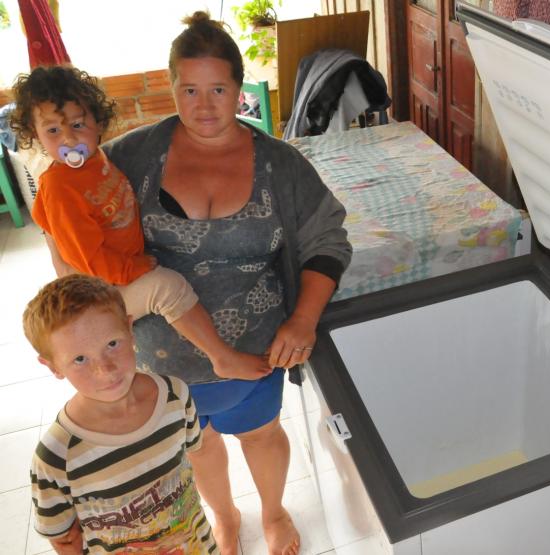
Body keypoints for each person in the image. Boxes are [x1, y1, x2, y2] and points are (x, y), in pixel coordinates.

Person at [95, 11, 351, 555]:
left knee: (261, 434)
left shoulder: (281, 165)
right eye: (189, 89)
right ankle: (225, 516)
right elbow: (71, 214)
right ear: (171, 87)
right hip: (160, 358)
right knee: (199, 444)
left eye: (218, 89)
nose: (204, 105)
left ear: (239, 89)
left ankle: (274, 512)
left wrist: (304, 319)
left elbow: (328, 238)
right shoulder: (129, 158)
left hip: (255, 352)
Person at [10, 65, 272, 382]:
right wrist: (132, 269)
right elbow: (88, 260)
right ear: (35, 135)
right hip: (101, 288)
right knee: (168, 287)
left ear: (97, 121)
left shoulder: (96, 161)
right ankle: (222, 358)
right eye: (53, 131)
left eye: (78, 125)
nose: (69, 138)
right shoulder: (61, 186)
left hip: (115, 270)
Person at [23, 274, 216, 553]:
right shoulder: (55, 456)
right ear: (53, 366)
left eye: (112, 344)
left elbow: (191, 455)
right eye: (80, 359)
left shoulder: (175, 395)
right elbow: (64, 539)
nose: (106, 369)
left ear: (129, 328)